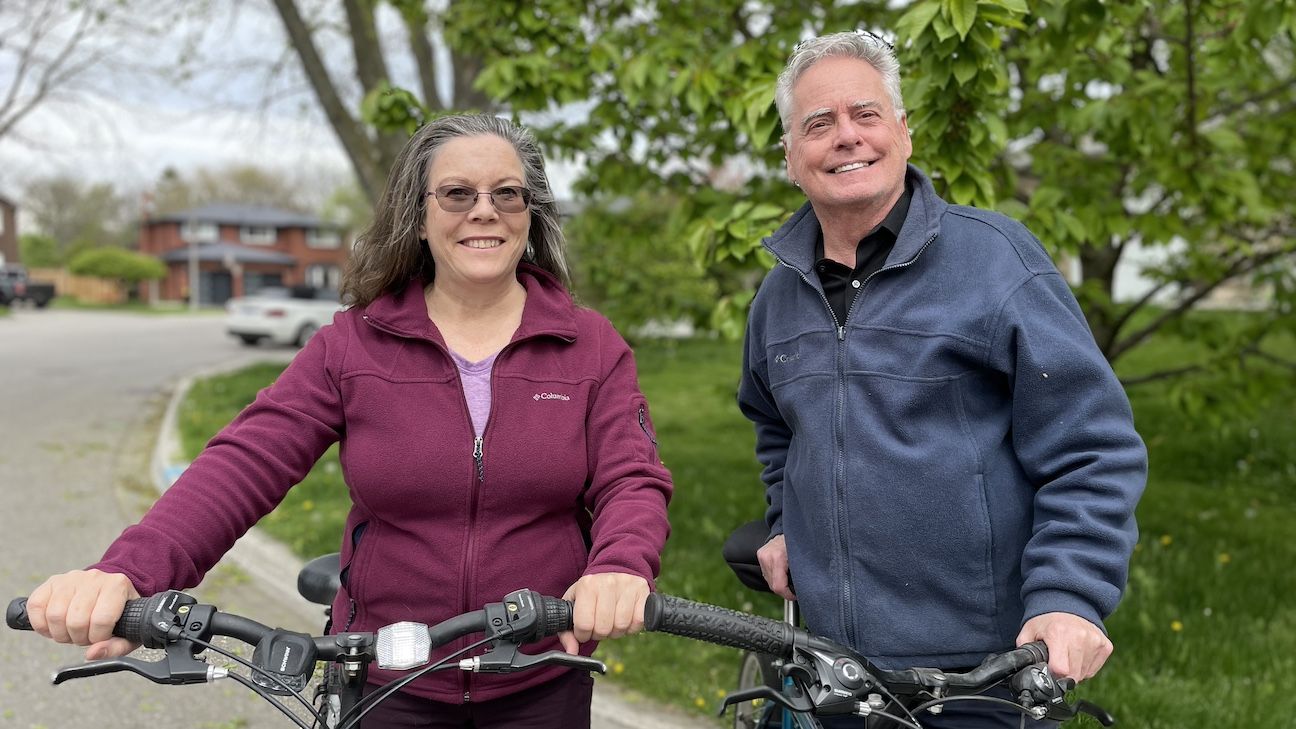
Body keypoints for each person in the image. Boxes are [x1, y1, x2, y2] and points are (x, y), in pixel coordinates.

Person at [24, 114, 673, 728]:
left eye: (508, 193)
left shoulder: (589, 345)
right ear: (417, 216)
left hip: (541, 671)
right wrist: (127, 572)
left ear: (529, 215)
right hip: (386, 676)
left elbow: (631, 477)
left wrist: (618, 564)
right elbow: (244, 463)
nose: (485, 210)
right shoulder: (352, 346)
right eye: (456, 193)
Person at [738, 31, 1147, 728]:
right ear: (790, 156)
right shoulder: (778, 298)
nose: (846, 137)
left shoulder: (997, 263)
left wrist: (1069, 595)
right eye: (818, 124)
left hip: (985, 674)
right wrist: (784, 523)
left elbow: (1093, 449)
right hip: (832, 666)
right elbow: (777, 428)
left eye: (865, 115)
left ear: (903, 132)